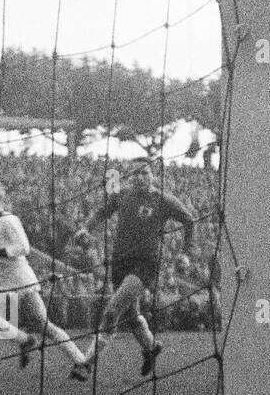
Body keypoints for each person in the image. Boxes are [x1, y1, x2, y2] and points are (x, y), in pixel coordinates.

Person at [74, 161, 197, 377]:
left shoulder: (163, 199)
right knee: (132, 317)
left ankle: (86, 364)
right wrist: (85, 228)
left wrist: (185, 253)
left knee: (112, 311)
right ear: (130, 177)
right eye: (136, 173)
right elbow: (101, 212)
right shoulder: (122, 195)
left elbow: (189, 220)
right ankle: (151, 348)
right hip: (120, 262)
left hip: (145, 265)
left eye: (145, 173)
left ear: (153, 176)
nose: (140, 177)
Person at [0, 185, 89, 378]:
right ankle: (26, 340)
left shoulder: (8, 220)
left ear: (1, 200)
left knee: (44, 326)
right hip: (7, 283)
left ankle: (80, 361)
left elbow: (24, 248)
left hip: (22, 282)